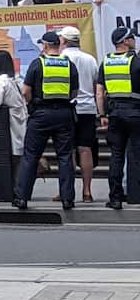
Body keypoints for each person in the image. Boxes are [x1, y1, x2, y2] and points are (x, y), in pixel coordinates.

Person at [14, 30, 80, 210]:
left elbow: (26, 91)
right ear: (58, 45)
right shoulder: (69, 65)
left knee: (31, 156)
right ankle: (68, 199)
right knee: (65, 156)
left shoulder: (37, 64)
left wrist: (32, 105)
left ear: (44, 46)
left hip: (40, 114)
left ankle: (22, 198)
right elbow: (74, 92)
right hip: (64, 113)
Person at [96, 26, 140, 210]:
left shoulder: (106, 61)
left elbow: (99, 92)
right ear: (125, 41)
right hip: (135, 112)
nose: (134, 40)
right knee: (137, 156)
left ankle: (115, 197)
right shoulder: (136, 61)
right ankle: (136, 195)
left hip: (114, 114)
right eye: (132, 37)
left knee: (116, 155)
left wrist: (102, 114)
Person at [59, 25, 99, 203]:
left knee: (67, 150)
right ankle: (87, 191)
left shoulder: (61, 59)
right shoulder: (90, 59)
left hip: (68, 107)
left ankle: (67, 191)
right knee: (85, 148)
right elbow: (95, 85)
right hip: (88, 108)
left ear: (64, 41)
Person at [0, 49, 27, 187]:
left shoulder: (0, 81)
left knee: (10, 154)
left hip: (7, 121)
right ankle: (20, 186)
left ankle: (12, 187)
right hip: (20, 117)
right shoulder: (16, 79)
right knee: (19, 154)